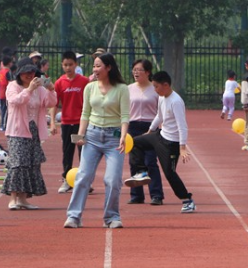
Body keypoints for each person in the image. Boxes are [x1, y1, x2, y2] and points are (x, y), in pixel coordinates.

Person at [64, 53, 130, 229]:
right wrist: (80, 135)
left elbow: (125, 115)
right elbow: (85, 113)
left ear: (109, 68)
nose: (95, 70)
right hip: (92, 136)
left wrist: (123, 135)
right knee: (83, 176)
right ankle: (74, 216)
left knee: (113, 179)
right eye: (94, 66)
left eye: (98, 66)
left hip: (113, 138)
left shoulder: (122, 89)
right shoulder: (89, 87)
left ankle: (112, 217)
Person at [124, 71, 196, 213]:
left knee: (170, 174)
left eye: (156, 87)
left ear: (166, 85)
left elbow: (183, 126)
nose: (155, 90)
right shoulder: (162, 97)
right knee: (135, 142)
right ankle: (142, 172)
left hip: (171, 144)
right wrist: (150, 131)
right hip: (159, 136)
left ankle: (187, 200)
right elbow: (159, 116)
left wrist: (182, 147)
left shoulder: (176, 101)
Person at [1, 58, 57, 210]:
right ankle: (13, 198)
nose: (29, 75)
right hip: (17, 131)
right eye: (25, 72)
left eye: (32, 72)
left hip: (34, 131)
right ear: (19, 74)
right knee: (18, 163)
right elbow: (15, 101)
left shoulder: (39, 88)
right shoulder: (13, 86)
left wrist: (51, 89)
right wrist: (29, 89)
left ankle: (23, 199)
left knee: (32, 164)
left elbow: (50, 103)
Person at [50, 51, 90, 194]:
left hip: (80, 124)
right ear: (62, 65)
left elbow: (89, 102)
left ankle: (84, 181)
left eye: (71, 65)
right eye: (65, 65)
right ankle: (67, 180)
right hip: (66, 123)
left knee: (82, 152)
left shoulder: (84, 81)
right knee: (67, 152)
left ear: (76, 64)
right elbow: (54, 104)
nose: (68, 68)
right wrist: (53, 122)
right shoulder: (60, 83)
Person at [126, 59, 164, 205]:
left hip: (150, 127)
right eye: (134, 69)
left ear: (147, 72)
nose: (136, 72)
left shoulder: (155, 89)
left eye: (139, 70)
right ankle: (136, 195)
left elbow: (161, 111)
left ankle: (156, 195)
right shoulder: (128, 89)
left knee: (150, 161)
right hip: (133, 127)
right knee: (135, 161)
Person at [0, 54, 14, 131]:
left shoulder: (0, 71)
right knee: (6, 111)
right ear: (9, 63)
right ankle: (3, 125)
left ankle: (2, 124)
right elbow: (10, 83)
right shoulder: (8, 72)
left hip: (0, 92)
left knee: (3, 110)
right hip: (6, 93)